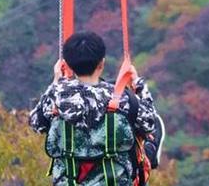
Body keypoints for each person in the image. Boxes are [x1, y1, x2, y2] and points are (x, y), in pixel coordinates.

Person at [29, 31, 157, 139]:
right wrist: (138, 84)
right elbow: (149, 124)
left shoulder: (56, 96)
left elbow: (35, 123)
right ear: (101, 63)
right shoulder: (122, 98)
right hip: (114, 169)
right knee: (146, 138)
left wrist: (56, 82)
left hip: (69, 169)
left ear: (67, 65)